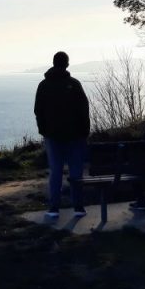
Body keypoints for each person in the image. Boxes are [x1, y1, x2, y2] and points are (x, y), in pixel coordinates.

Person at [34, 51, 91, 219]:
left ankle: (54, 208)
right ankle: (78, 207)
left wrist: (43, 130)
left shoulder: (43, 85)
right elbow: (84, 108)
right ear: (67, 64)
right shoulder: (74, 84)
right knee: (76, 173)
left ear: (53, 63)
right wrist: (84, 132)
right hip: (75, 136)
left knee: (56, 172)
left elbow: (38, 110)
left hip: (52, 136)